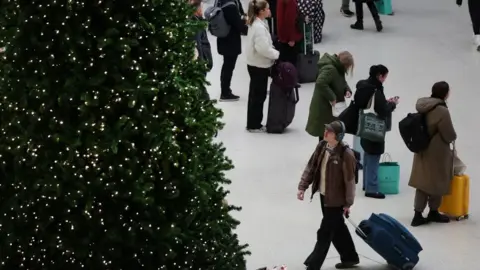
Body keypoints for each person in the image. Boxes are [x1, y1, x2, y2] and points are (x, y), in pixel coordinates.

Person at [298, 120, 360, 270]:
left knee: (325, 231)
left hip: (336, 200)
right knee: (337, 227)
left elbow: (350, 181)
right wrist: (303, 186)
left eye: (330, 131)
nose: (325, 133)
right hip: (324, 195)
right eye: (326, 130)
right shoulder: (322, 146)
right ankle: (349, 257)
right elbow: (311, 167)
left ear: (338, 136)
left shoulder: (346, 154)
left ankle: (313, 265)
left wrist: (348, 203)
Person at [409, 81, 457, 227]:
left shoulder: (423, 105)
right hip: (437, 152)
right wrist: (454, 138)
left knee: (423, 182)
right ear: (445, 93)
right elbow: (448, 134)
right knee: (438, 180)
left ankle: (417, 214)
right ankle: (433, 211)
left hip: (422, 148)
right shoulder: (442, 111)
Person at [353, 65, 397, 199]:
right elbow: (382, 110)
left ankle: (366, 184)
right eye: (385, 76)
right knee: (374, 155)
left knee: (367, 154)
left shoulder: (363, 87)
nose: (385, 79)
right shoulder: (375, 90)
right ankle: (372, 188)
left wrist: (385, 102)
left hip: (364, 125)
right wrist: (392, 104)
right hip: (374, 128)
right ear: (379, 76)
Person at [245, 0, 279, 132]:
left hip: (255, 63)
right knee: (258, 96)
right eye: (268, 9)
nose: (270, 10)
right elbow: (263, 48)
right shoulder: (259, 28)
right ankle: (254, 124)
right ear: (261, 11)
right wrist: (276, 54)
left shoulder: (258, 23)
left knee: (255, 94)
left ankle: (253, 122)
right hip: (259, 65)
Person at [306, 51, 353, 141]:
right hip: (324, 108)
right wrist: (332, 97)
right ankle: (322, 154)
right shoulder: (331, 69)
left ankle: (325, 153)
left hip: (329, 108)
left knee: (328, 135)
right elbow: (320, 82)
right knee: (325, 135)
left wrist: (346, 89)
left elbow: (340, 81)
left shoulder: (337, 68)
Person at [217, 0, 248, 102]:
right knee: (228, 66)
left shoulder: (225, 2)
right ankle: (225, 92)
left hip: (225, 39)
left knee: (227, 65)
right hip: (230, 41)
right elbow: (237, 23)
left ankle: (225, 90)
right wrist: (247, 28)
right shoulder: (230, 6)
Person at [191, 0, 213, 100]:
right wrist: (205, 63)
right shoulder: (194, 24)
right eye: (201, 7)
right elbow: (198, 47)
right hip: (199, 67)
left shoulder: (197, 22)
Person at [276, 0, 303, 66]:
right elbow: (290, 20)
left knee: (284, 62)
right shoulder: (290, 1)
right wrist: (291, 38)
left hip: (283, 34)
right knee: (291, 63)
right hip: (290, 37)